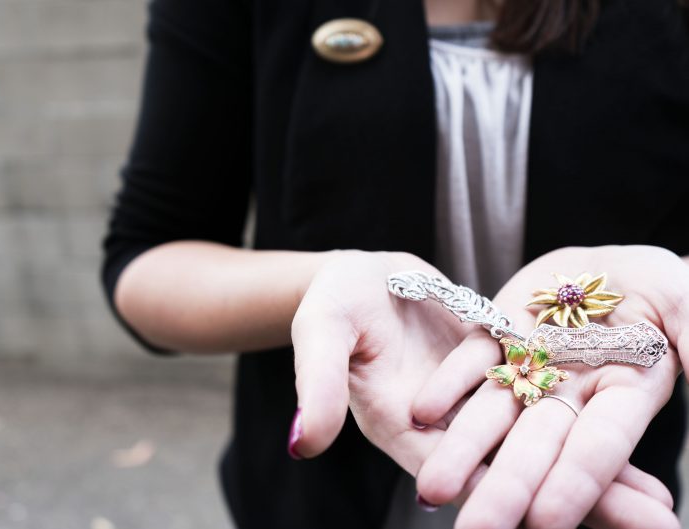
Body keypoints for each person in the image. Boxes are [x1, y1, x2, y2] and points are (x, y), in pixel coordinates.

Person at [101, 0, 689, 527]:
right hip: (321, 499)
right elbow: (148, 253)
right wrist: (324, 283)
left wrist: (675, 279)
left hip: (601, 468)